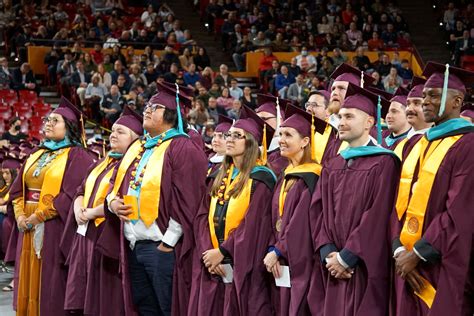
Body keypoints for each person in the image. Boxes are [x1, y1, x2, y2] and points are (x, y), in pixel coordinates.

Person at [103, 82, 208, 316]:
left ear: (171, 114)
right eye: (147, 106)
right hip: (133, 244)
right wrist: (111, 202)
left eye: (155, 107)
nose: (147, 110)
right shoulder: (138, 147)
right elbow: (114, 184)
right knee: (145, 307)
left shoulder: (182, 147)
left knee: (168, 307)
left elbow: (190, 199)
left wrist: (167, 243)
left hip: (162, 248)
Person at [308, 83, 400, 316]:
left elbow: (377, 215)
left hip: (362, 265)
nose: (341, 122)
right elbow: (318, 210)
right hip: (333, 267)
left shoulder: (384, 162)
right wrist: (328, 252)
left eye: (349, 116)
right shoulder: (333, 164)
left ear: (369, 122)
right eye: (339, 116)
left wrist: (347, 257)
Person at [391, 62, 474, 316]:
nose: (425, 101)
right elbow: (397, 204)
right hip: (405, 263)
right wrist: (399, 249)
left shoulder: (467, 144)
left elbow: (460, 209)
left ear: (457, 101)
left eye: (434, 95)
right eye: (424, 95)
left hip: (442, 261)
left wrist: (418, 253)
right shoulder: (414, 145)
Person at [9, 98, 94, 315]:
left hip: (53, 227)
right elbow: (18, 190)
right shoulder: (36, 153)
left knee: (49, 279)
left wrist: (39, 216)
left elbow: (71, 193)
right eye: (47, 119)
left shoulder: (78, 155)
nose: (47, 122)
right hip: (26, 225)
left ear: (69, 128)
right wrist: (20, 216)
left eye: (55, 120)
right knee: (27, 275)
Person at [188, 106, 276, 316]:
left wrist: (224, 252)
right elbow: (201, 217)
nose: (230, 139)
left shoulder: (261, 179)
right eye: (229, 134)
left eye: (238, 136)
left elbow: (253, 225)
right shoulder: (217, 176)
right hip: (212, 263)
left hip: (242, 265)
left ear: (252, 143)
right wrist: (209, 252)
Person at [63, 107, 143, 315]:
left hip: (106, 234)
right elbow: (80, 191)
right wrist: (79, 209)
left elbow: (121, 199)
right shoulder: (101, 162)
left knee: (104, 297)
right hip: (85, 232)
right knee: (83, 293)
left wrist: (89, 214)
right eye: (113, 131)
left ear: (135, 139)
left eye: (121, 132)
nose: (113, 135)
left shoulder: (133, 167)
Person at [263, 104, 322, 315]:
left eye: (288, 134)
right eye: (280, 134)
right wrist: (273, 248)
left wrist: (279, 250)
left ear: (305, 141)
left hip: (302, 258)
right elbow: (274, 218)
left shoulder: (313, 176)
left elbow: (300, 223)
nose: (281, 140)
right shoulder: (286, 173)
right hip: (281, 257)